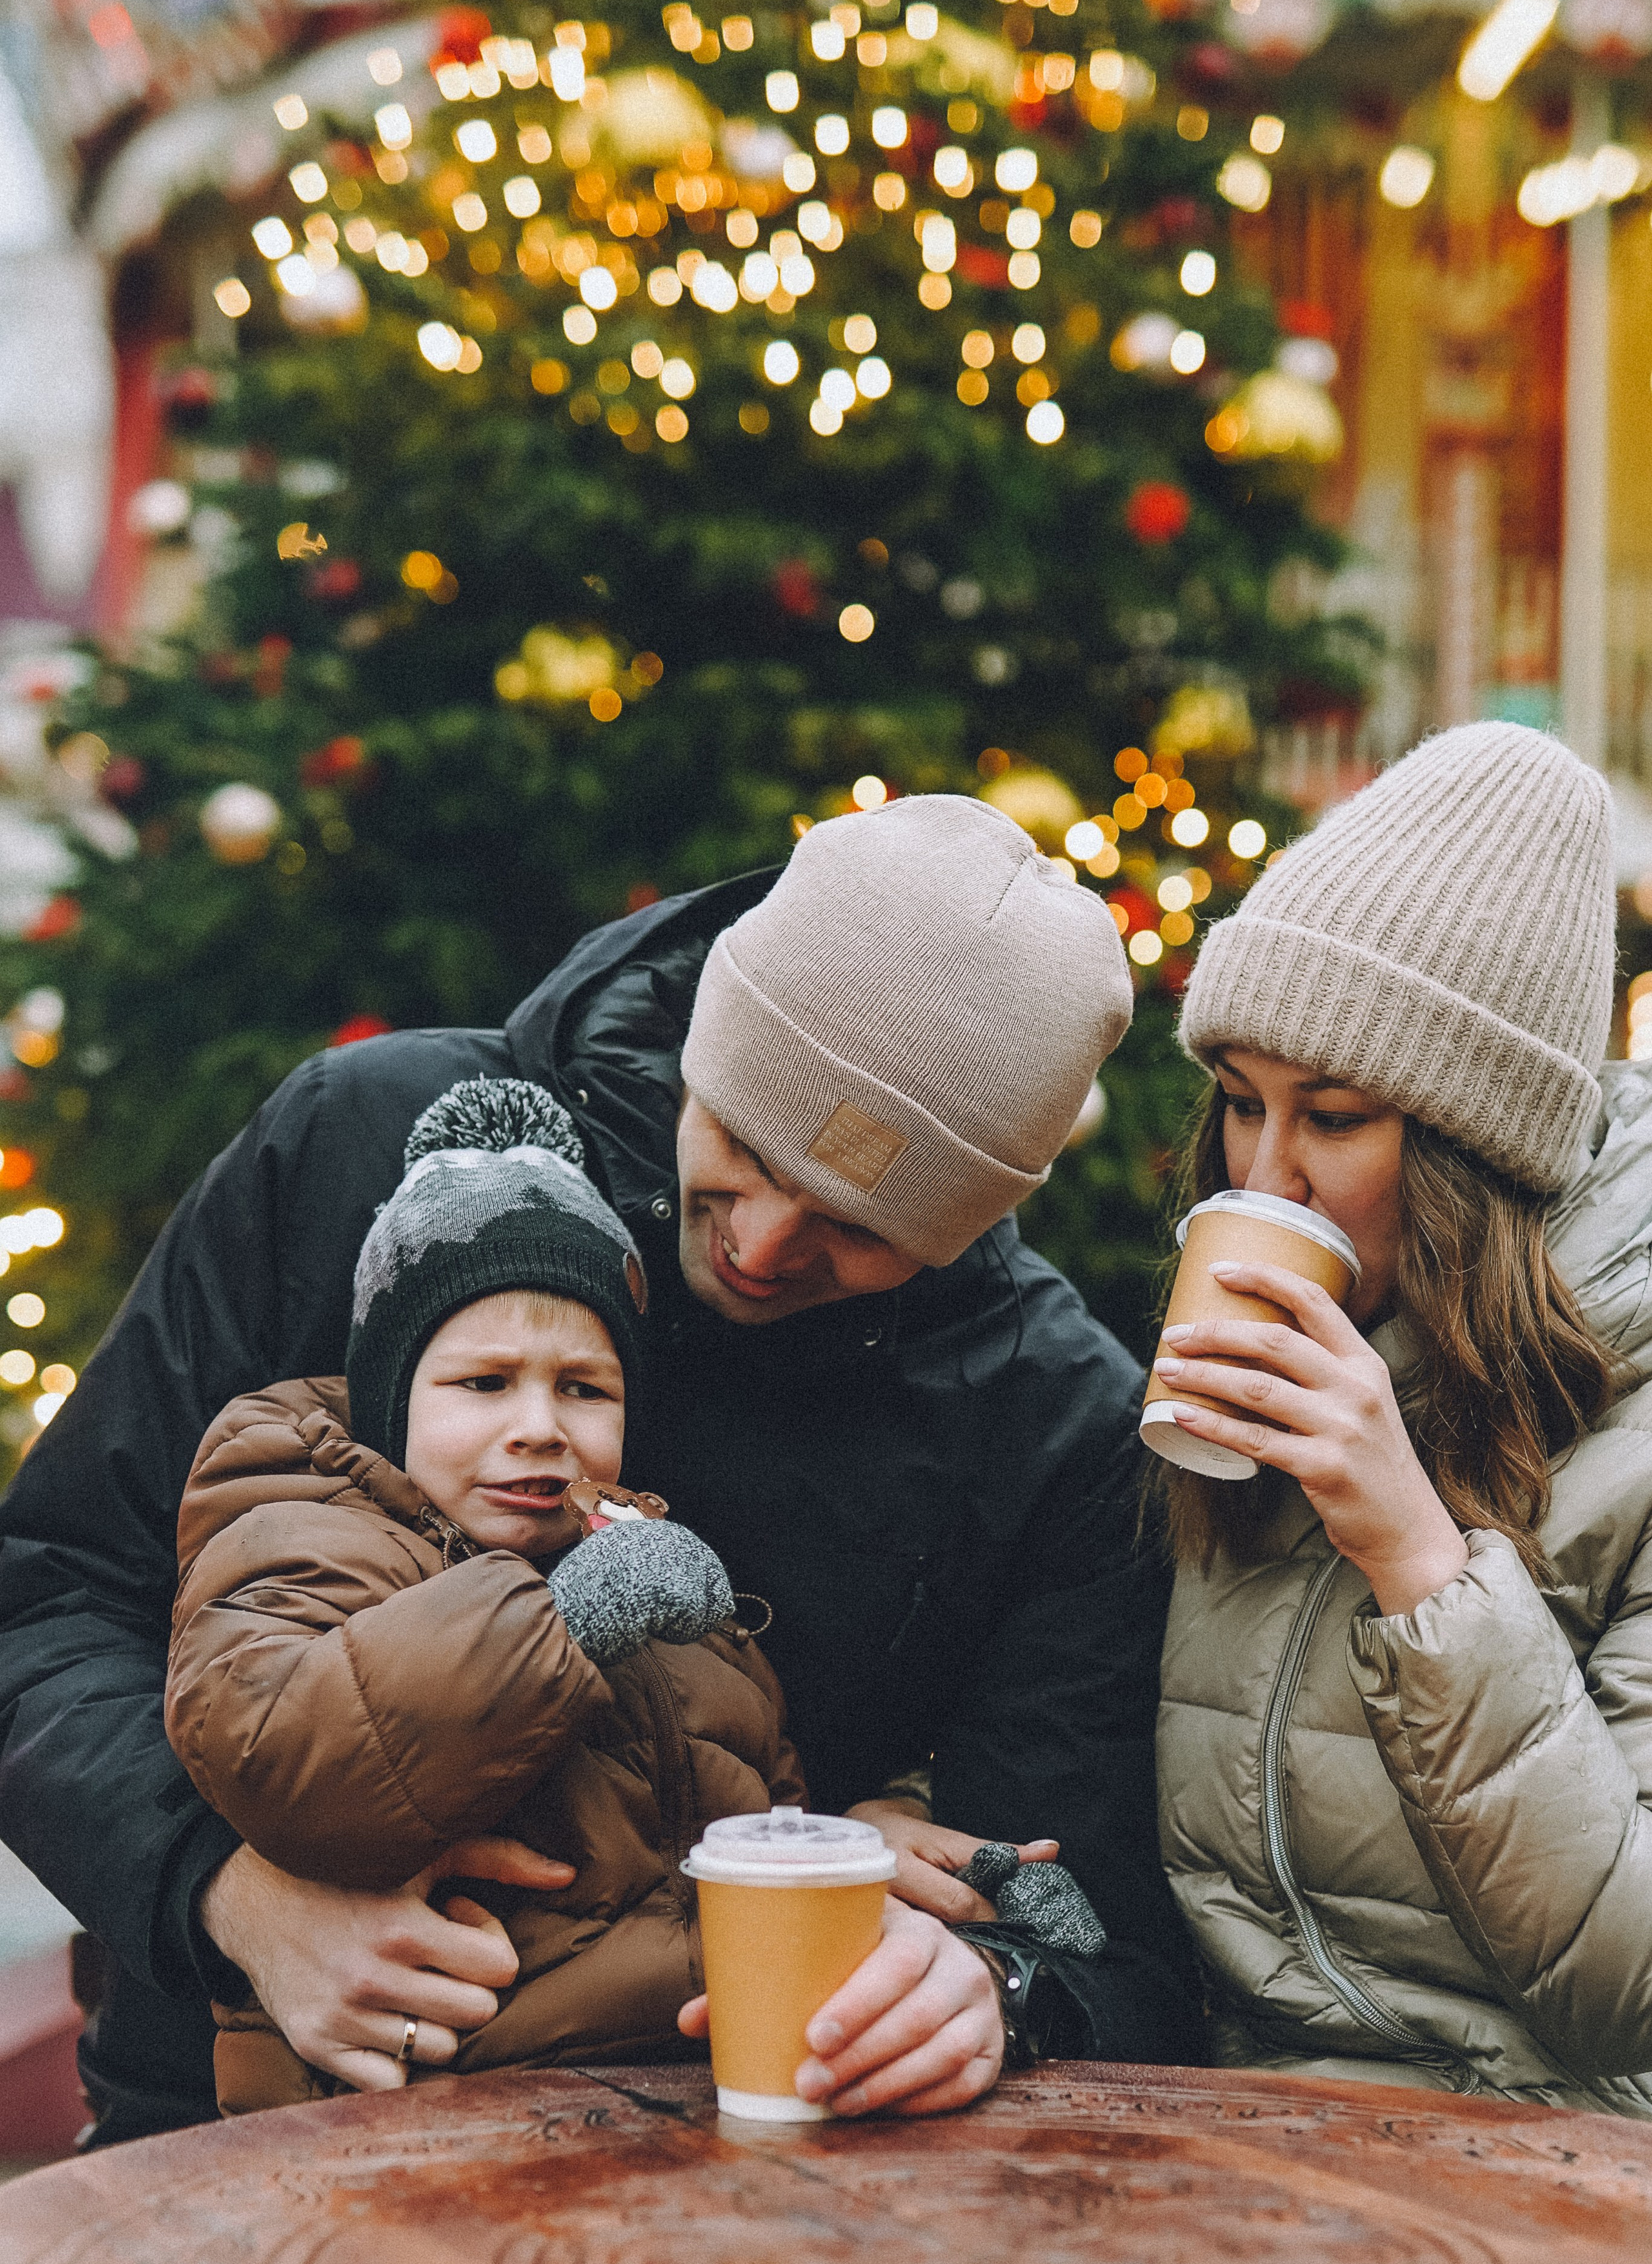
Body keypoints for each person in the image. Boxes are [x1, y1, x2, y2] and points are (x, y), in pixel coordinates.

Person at [0, 794, 1204, 2145]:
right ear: (708, 1040)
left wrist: (994, 1987)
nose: (759, 1243)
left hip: (744, 2161)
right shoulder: (363, 1153)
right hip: (234, 2128)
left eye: (859, 1230)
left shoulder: (1045, 1419)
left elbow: (1095, 1919)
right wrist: (231, 1900)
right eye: (742, 1144)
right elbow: (46, 1599)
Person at [1153, 718, 1652, 2111]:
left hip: (1538, 2151)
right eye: (1239, 1106)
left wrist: (1418, 1563)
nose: (1265, 1175)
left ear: (1469, 1152)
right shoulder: (1240, 1360)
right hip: (1218, 2126)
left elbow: (1629, 1989)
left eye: (1332, 1116)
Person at [170, 1076, 820, 2112]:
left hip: (677, 2111)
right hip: (406, 2122)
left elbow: (771, 1803)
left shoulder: (646, 1570)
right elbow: (280, 1748)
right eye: (483, 1383)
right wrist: (565, 1627)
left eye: (583, 1387)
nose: (539, 1426)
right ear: (395, 1395)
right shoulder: (309, 1523)